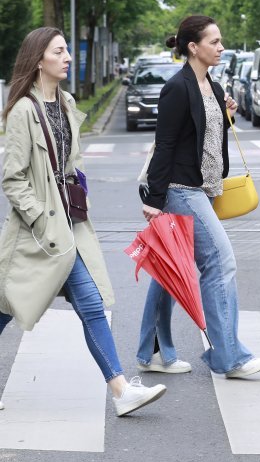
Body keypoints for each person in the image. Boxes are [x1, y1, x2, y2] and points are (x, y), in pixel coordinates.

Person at [0, 27, 166, 416]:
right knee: (8, 305)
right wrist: (41, 218)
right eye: (60, 51)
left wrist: (79, 194)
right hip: (39, 232)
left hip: (70, 223)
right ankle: (122, 389)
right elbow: (13, 178)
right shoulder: (25, 110)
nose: (68, 57)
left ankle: (121, 390)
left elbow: (72, 163)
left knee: (89, 304)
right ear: (39, 59)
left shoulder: (67, 101)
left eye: (67, 51)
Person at [138, 15, 260, 378]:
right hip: (182, 191)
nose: (221, 47)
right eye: (214, 41)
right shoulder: (176, 88)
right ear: (193, 47)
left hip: (205, 189)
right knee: (220, 263)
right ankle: (230, 357)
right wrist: (155, 197)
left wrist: (225, 113)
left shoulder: (210, 84)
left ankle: (151, 351)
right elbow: (164, 146)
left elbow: (206, 137)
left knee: (169, 270)